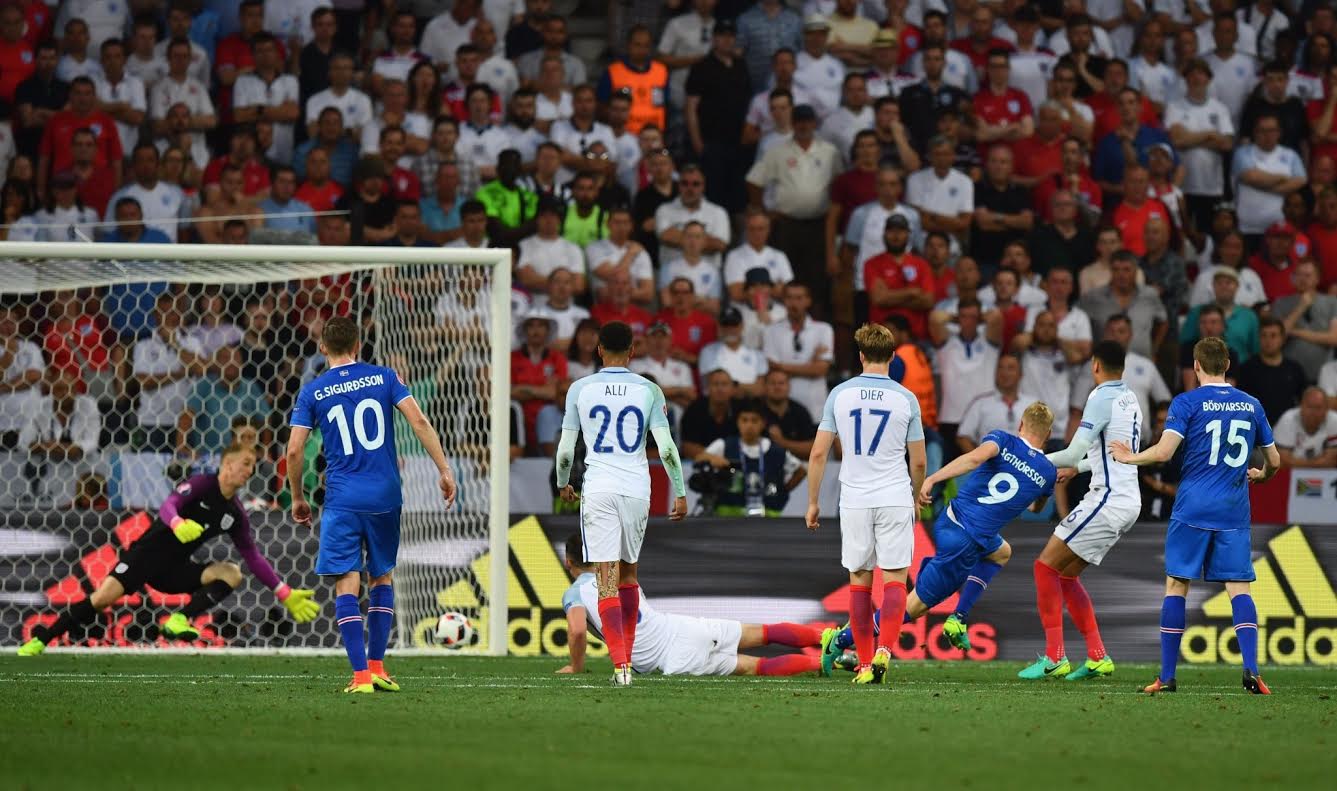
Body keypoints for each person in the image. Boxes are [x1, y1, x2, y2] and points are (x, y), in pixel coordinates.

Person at [285, 317, 458, 694]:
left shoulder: (313, 391)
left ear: (322, 348)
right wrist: (444, 470)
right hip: (385, 495)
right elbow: (419, 420)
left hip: (343, 499)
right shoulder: (385, 377)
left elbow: (295, 450)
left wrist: (298, 496)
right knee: (382, 577)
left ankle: (361, 676)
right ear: (358, 345)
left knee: (347, 581)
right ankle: (378, 667)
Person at [17, 444, 318, 656]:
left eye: (253, 466)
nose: (251, 470)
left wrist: (283, 591)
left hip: (174, 571)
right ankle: (42, 640)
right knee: (101, 598)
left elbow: (252, 556)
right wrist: (177, 523)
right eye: (246, 463)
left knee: (232, 572)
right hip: (145, 556)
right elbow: (168, 505)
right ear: (228, 464)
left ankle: (179, 619)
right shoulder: (202, 484)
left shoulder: (235, 513)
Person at [822, 401, 1056, 673]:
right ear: (1049, 435)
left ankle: (959, 616)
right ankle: (839, 640)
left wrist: (933, 479)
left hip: (952, 520)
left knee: (1002, 551)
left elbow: (973, 459)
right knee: (913, 607)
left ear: (1021, 425)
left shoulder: (1002, 440)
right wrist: (1045, 483)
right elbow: (1035, 508)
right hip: (967, 542)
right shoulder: (1048, 472)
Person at [1112, 337, 1281, 695]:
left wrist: (1129, 457)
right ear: (1228, 365)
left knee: (1177, 586)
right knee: (1239, 589)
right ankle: (1251, 671)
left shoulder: (1187, 402)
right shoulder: (1251, 405)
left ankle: (1167, 677)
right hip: (1233, 510)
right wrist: (1263, 475)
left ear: (1196, 366)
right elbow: (1275, 461)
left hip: (1193, 507)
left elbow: (1163, 453)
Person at [554, 321, 688, 687]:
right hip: (637, 489)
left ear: (598, 350)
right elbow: (667, 448)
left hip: (599, 488)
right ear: (633, 351)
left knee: (605, 581)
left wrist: (563, 483)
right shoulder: (649, 390)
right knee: (629, 576)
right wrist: (679, 491)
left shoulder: (580, 388)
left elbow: (566, 450)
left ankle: (621, 667)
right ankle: (626, 658)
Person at [805, 323, 926, 685]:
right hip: (894, 496)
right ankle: (885, 650)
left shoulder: (839, 394)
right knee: (895, 580)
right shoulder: (906, 398)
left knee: (859, 581)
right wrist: (915, 496)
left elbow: (818, 453)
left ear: (860, 356)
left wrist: (813, 502)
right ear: (893, 356)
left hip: (855, 498)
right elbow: (919, 461)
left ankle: (863, 663)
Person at [1025, 341, 1142, 681]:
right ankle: (1097, 657)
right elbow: (1114, 453)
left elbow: (1073, 450)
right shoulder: (1130, 398)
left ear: (1095, 365)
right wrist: (1078, 468)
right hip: (1127, 499)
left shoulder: (1100, 397)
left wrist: (1029, 460)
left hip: (1107, 499)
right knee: (1065, 575)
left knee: (1044, 567)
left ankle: (1054, 658)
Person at [559, 533, 821, 677]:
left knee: (757, 666)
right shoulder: (620, 575)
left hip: (675, 658)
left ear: (568, 561)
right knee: (765, 632)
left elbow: (578, 630)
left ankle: (821, 662)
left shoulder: (575, 593)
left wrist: (576, 666)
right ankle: (830, 638)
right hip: (684, 626)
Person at [694, 399, 806, 516]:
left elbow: (801, 471)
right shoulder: (725, 445)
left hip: (768, 517)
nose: (749, 425)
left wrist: (782, 491)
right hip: (729, 516)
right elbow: (699, 458)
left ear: (763, 423)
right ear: (738, 422)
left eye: (754, 420)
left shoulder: (776, 451)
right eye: (744, 420)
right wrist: (712, 459)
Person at [1271, 386, 1337, 468]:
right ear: (1301, 406)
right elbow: (1283, 459)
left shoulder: (1334, 421)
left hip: (1324, 473)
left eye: (1318, 407)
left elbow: (1332, 460)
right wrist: (1317, 463)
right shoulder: (1288, 419)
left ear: (1326, 409)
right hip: (1290, 472)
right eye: (1309, 407)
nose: (1313, 412)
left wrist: (1299, 463)